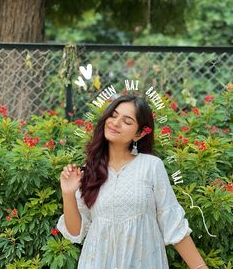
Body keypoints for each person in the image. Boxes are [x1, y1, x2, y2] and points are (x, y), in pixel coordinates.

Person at [57, 94, 208, 269]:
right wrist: (68, 193)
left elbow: (173, 224)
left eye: (127, 121)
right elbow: (76, 232)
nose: (115, 122)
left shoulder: (151, 166)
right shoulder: (89, 171)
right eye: (113, 115)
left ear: (138, 134)